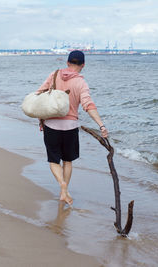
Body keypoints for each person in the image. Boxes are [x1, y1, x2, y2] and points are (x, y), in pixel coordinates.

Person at [37, 50, 108, 205]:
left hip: (51, 125)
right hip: (70, 127)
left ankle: (62, 185)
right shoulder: (81, 82)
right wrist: (101, 125)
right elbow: (88, 105)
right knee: (67, 161)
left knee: (54, 160)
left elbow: (39, 93)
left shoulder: (54, 75)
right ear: (83, 65)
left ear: (67, 62)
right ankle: (65, 190)